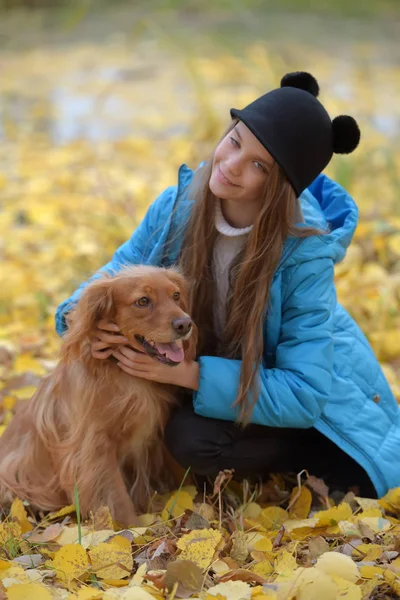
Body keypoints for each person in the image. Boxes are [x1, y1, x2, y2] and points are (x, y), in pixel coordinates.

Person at [56, 71, 400, 499]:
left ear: (278, 187)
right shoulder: (178, 204)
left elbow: (305, 392)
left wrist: (191, 374)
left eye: (259, 165)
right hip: (220, 375)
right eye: (235, 141)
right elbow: (116, 271)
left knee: (188, 439)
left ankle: (299, 461)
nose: (231, 165)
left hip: (311, 414)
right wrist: (84, 321)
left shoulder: (304, 252)